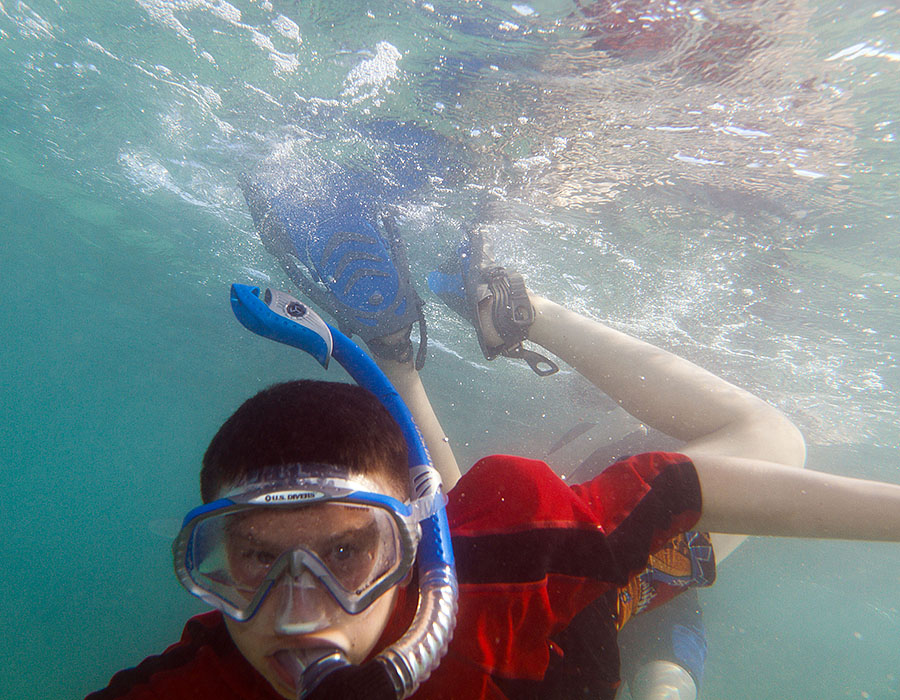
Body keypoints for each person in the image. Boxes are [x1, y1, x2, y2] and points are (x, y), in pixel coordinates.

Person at [89, 184, 900, 700]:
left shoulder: (530, 557)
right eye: (262, 561)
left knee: (772, 440)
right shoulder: (195, 684)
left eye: (343, 555)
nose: (302, 617)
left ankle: (493, 317)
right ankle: (462, 327)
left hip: (564, 607)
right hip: (493, 568)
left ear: (406, 549)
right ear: (215, 566)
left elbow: (680, 489)